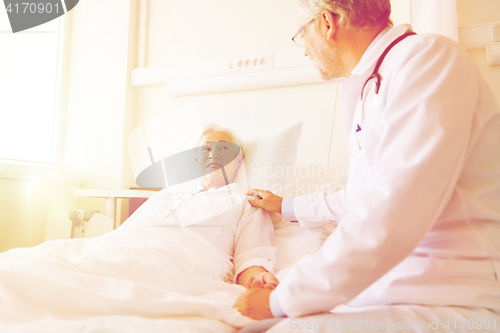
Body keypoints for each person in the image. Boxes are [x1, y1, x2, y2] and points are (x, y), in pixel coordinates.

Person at [234, 0, 500, 327]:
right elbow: (365, 196)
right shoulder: (372, 83)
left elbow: (393, 209)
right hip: (392, 290)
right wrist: (286, 205)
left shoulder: (428, 60)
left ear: (328, 23)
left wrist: (282, 299)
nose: (304, 50)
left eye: (301, 35)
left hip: (442, 295)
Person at [0, 127, 279, 326]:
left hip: (185, 256)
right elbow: (126, 233)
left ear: (238, 160)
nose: (212, 153)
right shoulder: (167, 194)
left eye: (223, 148)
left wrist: (255, 277)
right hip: (124, 246)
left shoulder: (246, 201)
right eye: (205, 148)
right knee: (29, 266)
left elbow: (250, 254)